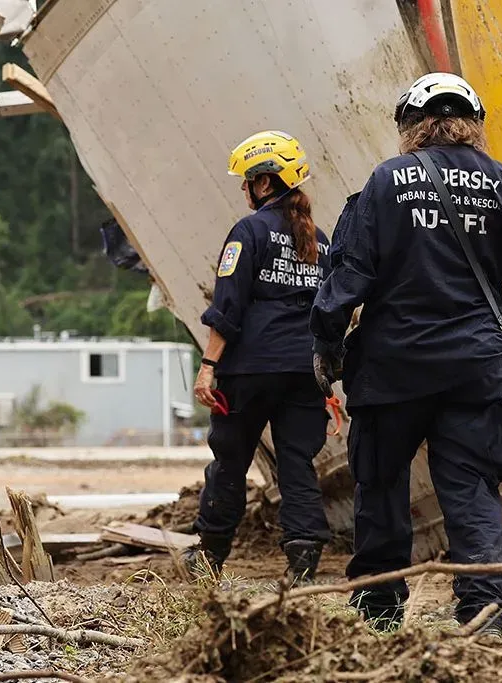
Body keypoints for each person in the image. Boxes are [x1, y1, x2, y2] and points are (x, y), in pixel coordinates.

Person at [309, 73, 502, 631]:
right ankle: (484, 611)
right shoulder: (501, 182)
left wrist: (326, 344)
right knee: (472, 492)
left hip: (392, 367)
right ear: (473, 125)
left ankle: (378, 609)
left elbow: (348, 276)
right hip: (473, 366)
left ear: (409, 128)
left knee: (380, 486)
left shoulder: (384, 182)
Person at [186, 130, 333, 585]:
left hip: (249, 371)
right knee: (296, 462)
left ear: (265, 183)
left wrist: (208, 367)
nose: (242, 189)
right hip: (305, 371)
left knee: (230, 460)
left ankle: (209, 557)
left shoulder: (247, 232)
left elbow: (227, 307)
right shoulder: (322, 241)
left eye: (246, 181)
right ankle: (303, 562)